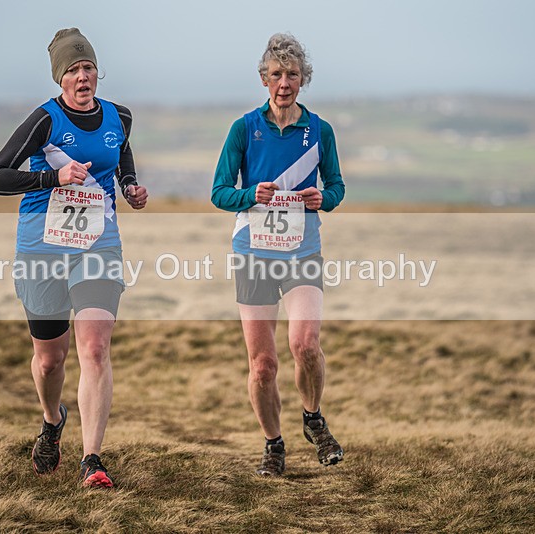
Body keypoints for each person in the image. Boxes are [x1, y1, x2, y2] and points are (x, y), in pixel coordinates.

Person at [0, 28, 148, 488]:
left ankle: (92, 460)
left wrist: (129, 186)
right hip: (43, 247)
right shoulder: (44, 122)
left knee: (94, 349)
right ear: (60, 79)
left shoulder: (120, 116)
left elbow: (121, 155)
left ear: (98, 72)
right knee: (50, 360)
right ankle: (53, 421)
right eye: (72, 70)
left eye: (88, 67)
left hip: (98, 245)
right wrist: (54, 178)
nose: (82, 76)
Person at [211, 33, 345, 476]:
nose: (283, 82)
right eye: (275, 74)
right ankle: (273, 445)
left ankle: (313, 418)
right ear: (264, 79)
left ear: (302, 78)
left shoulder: (319, 130)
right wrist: (251, 193)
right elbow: (219, 193)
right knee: (263, 365)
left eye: (291, 74)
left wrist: (319, 199)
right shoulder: (244, 128)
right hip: (253, 250)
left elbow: (338, 188)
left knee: (304, 343)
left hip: (302, 248)